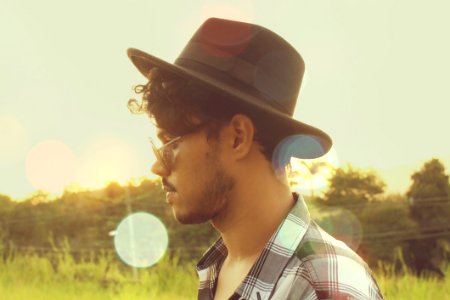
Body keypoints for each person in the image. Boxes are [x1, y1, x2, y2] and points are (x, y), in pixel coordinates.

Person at [127, 18, 384, 300]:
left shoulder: (324, 288)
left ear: (237, 137)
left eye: (170, 144)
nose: (157, 166)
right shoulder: (222, 267)